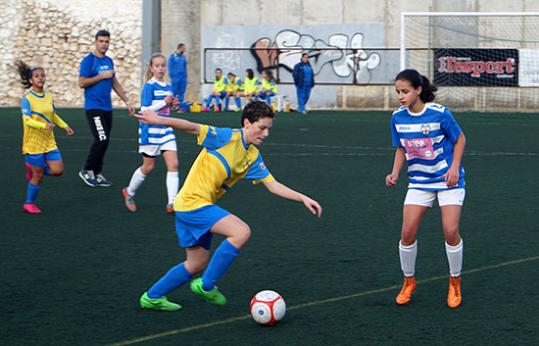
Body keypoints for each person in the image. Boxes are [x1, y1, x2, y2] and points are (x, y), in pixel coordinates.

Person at [135, 101, 322, 311]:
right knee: (241, 232)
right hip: (192, 203)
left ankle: (152, 296)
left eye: (268, 128)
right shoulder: (225, 137)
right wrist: (158, 120)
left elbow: (272, 185)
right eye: (262, 127)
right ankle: (207, 286)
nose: (266, 133)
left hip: (192, 206)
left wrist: (302, 197)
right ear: (247, 123)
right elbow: (191, 126)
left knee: (196, 263)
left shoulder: (252, 155)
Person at [385, 69, 466, 309]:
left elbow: (460, 139)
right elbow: (400, 148)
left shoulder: (439, 113)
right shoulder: (397, 117)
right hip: (419, 182)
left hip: (449, 181)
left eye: (405, 91)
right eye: (398, 92)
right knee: (407, 233)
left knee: (450, 231)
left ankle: (454, 282)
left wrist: (454, 167)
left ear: (418, 90)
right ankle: (408, 281)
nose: (400, 96)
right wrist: (395, 173)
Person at [122, 53, 180, 213]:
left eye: (163, 65)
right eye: (157, 66)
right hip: (151, 131)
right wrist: (164, 102)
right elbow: (144, 110)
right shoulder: (149, 86)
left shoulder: (169, 86)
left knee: (174, 164)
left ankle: (172, 203)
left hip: (166, 128)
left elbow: (166, 109)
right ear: (151, 68)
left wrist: (172, 105)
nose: (161, 69)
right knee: (148, 167)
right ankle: (129, 192)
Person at [78, 29, 135, 187]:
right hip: (93, 107)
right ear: (95, 42)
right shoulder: (89, 61)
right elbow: (82, 82)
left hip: (107, 109)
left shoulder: (109, 61)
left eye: (106, 42)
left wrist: (127, 101)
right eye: (101, 41)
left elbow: (114, 83)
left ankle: (97, 173)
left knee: (105, 141)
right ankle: (87, 169)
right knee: (101, 139)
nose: (104, 44)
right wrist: (100, 77)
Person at [17, 61, 75, 214]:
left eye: (42, 76)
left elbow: (53, 115)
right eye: (36, 76)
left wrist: (65, 126)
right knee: (38, 176)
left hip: (49, 141)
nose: (40, 78)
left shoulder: (48, 96)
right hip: (33, 143)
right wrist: (44, 126)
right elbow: (27, 120)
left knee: (58, 170)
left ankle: (34, 168)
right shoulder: (27, 98)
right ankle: (29, 203)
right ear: (30, 80)